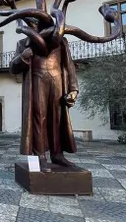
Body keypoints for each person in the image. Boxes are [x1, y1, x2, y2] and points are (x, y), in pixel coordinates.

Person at [9, 36, 79, 169]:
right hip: (37, 79)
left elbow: (69, 66)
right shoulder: (23, 43)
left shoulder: (61, 41)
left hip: (58, 81)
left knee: (57, 119)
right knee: (38, 117)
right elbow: (13, 68)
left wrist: (74, 89)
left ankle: (57, 155)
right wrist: (22, 56)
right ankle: (40, 156)